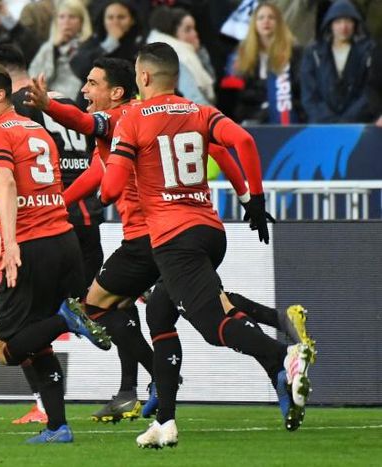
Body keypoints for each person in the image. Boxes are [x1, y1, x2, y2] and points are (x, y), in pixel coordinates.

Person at [24, 56, 269, 424]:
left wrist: (49, 107)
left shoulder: (125, 118)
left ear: (118, 91)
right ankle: (274, 335)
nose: (85, 91)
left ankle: (163, 377)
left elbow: (86, 124)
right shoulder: (167, 116)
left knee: (98, 305)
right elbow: (220, 150)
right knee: (177, 309)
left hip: (149, 237)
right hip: (184, 231)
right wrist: (248, 197)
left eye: (92, 83)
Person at [101, 42, 315, 448]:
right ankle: (165, 421)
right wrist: (254, 200)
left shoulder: (131, 120)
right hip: (210, 231)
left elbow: (110, 191)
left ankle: (280, 357)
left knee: (215, 328)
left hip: (171, 238)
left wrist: (112, 172)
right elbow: (245, 144)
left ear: (142, 77)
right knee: (161, 314)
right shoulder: (198, 112)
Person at [0, 62, 111, 443]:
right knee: (36, 341)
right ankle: (58, 426)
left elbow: (7, 182)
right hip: (64, 241)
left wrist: (10, 242)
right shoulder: (37, 129)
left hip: (32, 247)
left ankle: (68, 320)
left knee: (6, 348)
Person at [222, 2, 304, 125]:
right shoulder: (242, 52)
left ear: (279, 23)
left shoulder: (294, 52)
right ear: (254, 24)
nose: (266, 21)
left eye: (271, 17)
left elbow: (299, 87)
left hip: (287, 113)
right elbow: (240, 93)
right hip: (252, 114)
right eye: (261, 18)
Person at [300, 0, 375, 123]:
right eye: (338, 21)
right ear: (330, 24)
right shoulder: (313, 53)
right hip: (321, 127)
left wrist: (347, 120)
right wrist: (330, 121)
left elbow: (369, 92)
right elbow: (309, 96)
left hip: (357, 126)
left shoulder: (368, 53)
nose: (343, 27)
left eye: (348, 21)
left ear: (355, 24)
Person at [70, 0, 143, 103]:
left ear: (132, 20)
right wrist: (110, 44)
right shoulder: (94, 41)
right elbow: (79, 68)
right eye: (110, 17)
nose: (115, 22)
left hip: (125, 103)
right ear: (103, 20)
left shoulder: (139, 46)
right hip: (89, 104)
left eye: (121, 17)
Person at [146, 6, 216, 105]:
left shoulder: (187, 54)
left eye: (194, 29)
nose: (195, 34)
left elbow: (211, 79)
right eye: (188, 30)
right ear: (171, 35)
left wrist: (199, 51)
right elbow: (196, 100)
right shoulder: (179, 60)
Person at [28, 0, 93, 99]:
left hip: (79, 101)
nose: (66, 21)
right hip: (48, 100)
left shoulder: (90, 46)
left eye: (72, 17)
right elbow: (34, 78)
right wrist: (54, 50)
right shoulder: (48, 48)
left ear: (82, 22)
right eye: (62, 17)